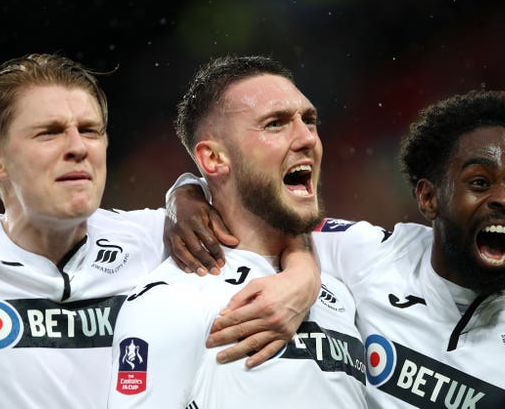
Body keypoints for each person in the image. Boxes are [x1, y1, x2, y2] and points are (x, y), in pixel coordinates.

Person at [0, 53, 317, 408]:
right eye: (49, 133)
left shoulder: (156, 238)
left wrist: (304, 273)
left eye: (89, 131)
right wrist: (184, 193)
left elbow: (276, 212)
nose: (77, 148)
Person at [107, 55, 367, 408]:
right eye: (275, 124)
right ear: (214, 159)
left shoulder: (341, 284)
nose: (307, 138)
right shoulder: (173, 301)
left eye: (309, 120)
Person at [308, 90, 505, 408]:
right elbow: (281, 231)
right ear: (428, 199)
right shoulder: (372, 256)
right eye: (479, 182)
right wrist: (300, 270)